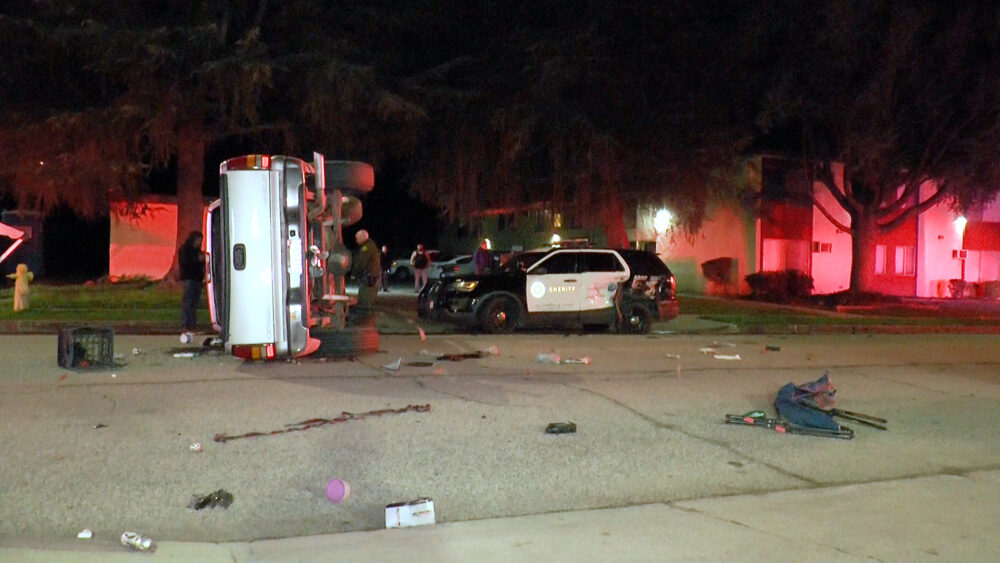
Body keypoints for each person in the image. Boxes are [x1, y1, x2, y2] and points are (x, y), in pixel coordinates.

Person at [178, 231, 206, 343]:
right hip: (189, 278)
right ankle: (185, 325)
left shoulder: (197, 251)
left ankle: (192, 325)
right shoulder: (185, 250)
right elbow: (186, 263)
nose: (199, 242)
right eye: (198, 240)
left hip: (197, 279)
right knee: (188, 303)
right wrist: (198, 260)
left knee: (194, 303)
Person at [351, 229, 381, 319]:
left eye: (357, 238)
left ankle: (364, 318)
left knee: (365, 297)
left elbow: (361, 262)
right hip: (372, 276)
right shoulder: (371, 245)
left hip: (367, 276)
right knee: (370, 297)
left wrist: (354, 274)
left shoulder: (366, 247)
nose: (356, 240)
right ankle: (368, 316)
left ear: (362, 237)